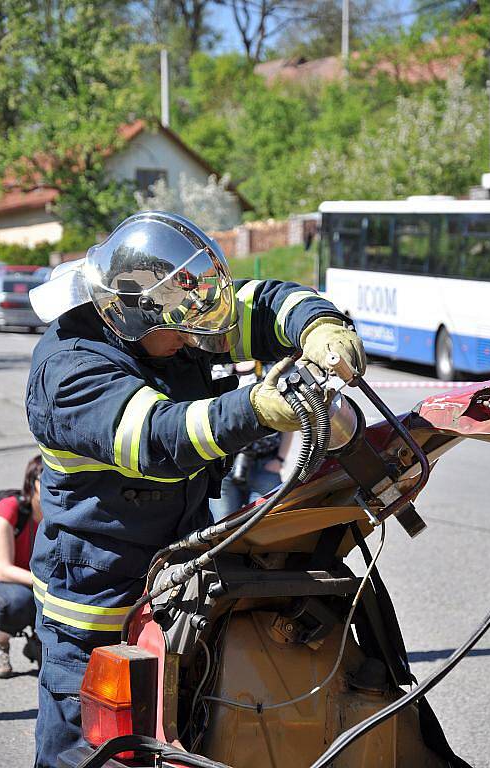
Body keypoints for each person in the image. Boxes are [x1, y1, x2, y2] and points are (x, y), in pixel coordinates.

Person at [26, 210, 366, 768]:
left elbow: (257, 303)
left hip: (176, 580)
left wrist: (319, 326)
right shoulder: (70, 368)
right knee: (93, 755)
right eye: (180, 327)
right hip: (97, 601)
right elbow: (161, 438)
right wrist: (258, 407)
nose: (194, 337)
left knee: (181, 739)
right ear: (130, 311)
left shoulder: (161, 314)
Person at [210, 361, 293, 522]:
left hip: (265, 465)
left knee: (268, 525)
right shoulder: (217, 370)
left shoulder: (272, 370)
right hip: (224, 467)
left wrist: (280, 459)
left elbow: (288, 419)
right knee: (222, 529)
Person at [0, 455, 43, 677]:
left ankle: (39, 640)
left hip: (31, 581)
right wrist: (45, 584)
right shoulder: (10, 508)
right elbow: (2, 569)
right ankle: (0, 642)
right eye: (46, 479)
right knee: (18, 601)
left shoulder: (64, 515)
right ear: (32, 483)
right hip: (5, 583)